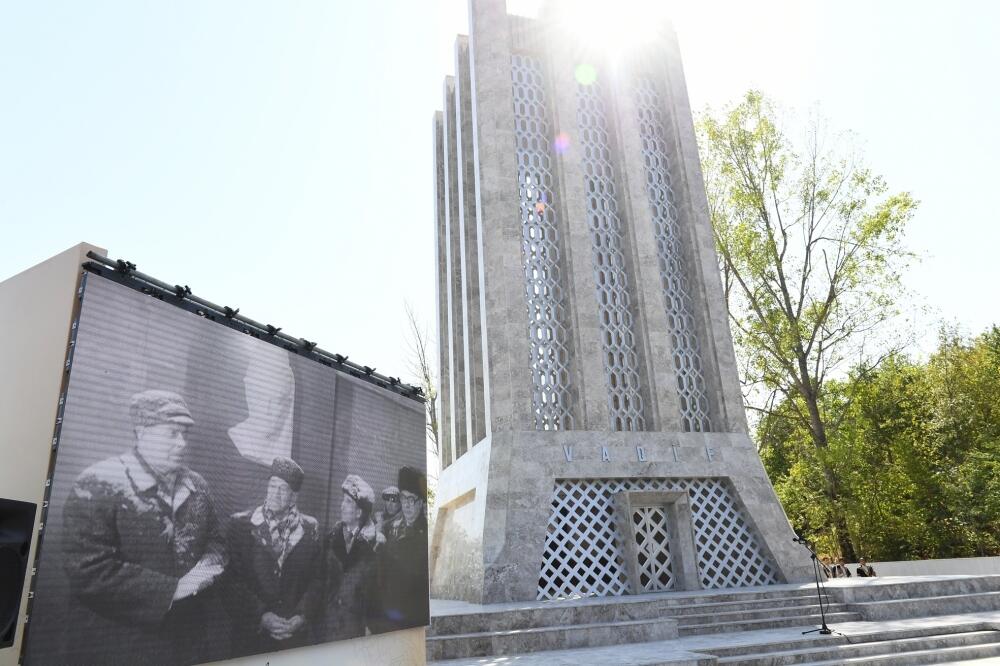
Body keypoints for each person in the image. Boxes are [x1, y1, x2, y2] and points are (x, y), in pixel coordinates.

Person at [61, 390, 225, 665]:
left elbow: (217, 543)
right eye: (172, 433)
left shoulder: (198, 486)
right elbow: (87, 570)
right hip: (121, 645)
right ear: (142, 432)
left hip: (188, 643)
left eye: (185, 434)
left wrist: (196, 579)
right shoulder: (100, 482)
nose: (182, 443)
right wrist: (170, 590)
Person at [226, 456, 322, 655]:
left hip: (292, 640)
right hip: (251, 639)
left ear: (294, 496)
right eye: (272, 486)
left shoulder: (310, 529)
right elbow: (230, 582)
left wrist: (302, 616)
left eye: (283, 489)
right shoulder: (241, 525)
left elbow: (318, 579)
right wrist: (261, 616)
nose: (275, 494)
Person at [321, 474, 380, 641]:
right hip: (326, 628)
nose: (341, 506)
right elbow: (319, 581)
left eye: (348, 502)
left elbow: (374, 595)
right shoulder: (330, 539)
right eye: (343, 500)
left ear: (359, 512)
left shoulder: (373, 548)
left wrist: (370, 627)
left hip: (355, 631)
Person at [376, 466, 429, 633]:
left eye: (412, 499)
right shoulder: (388, 528)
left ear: (421, 502)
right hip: (388, 613)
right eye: (404, 498)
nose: (407, 505)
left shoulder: (427, 531)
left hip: (413, 615)